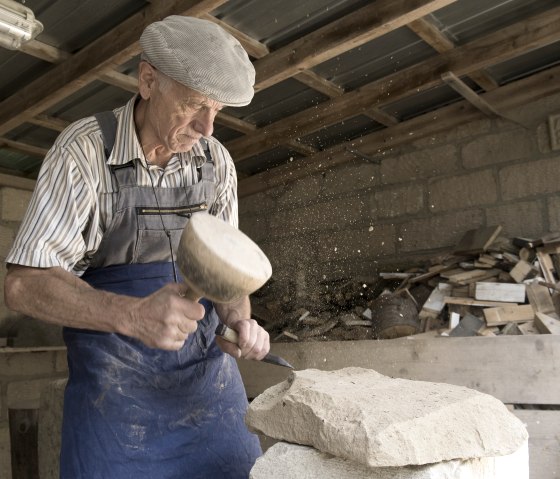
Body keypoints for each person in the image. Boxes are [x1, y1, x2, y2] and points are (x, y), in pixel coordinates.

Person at [4, 15, 270, 479]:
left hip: (204, 395)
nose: (207, 128)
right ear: (148, 80)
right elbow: (23, 286)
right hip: (114, 403)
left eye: (218, 111)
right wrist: (131, 316)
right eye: (194, 105)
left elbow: (226, 277)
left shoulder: (216, 162)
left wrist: (238, 319)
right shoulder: (84, 153)